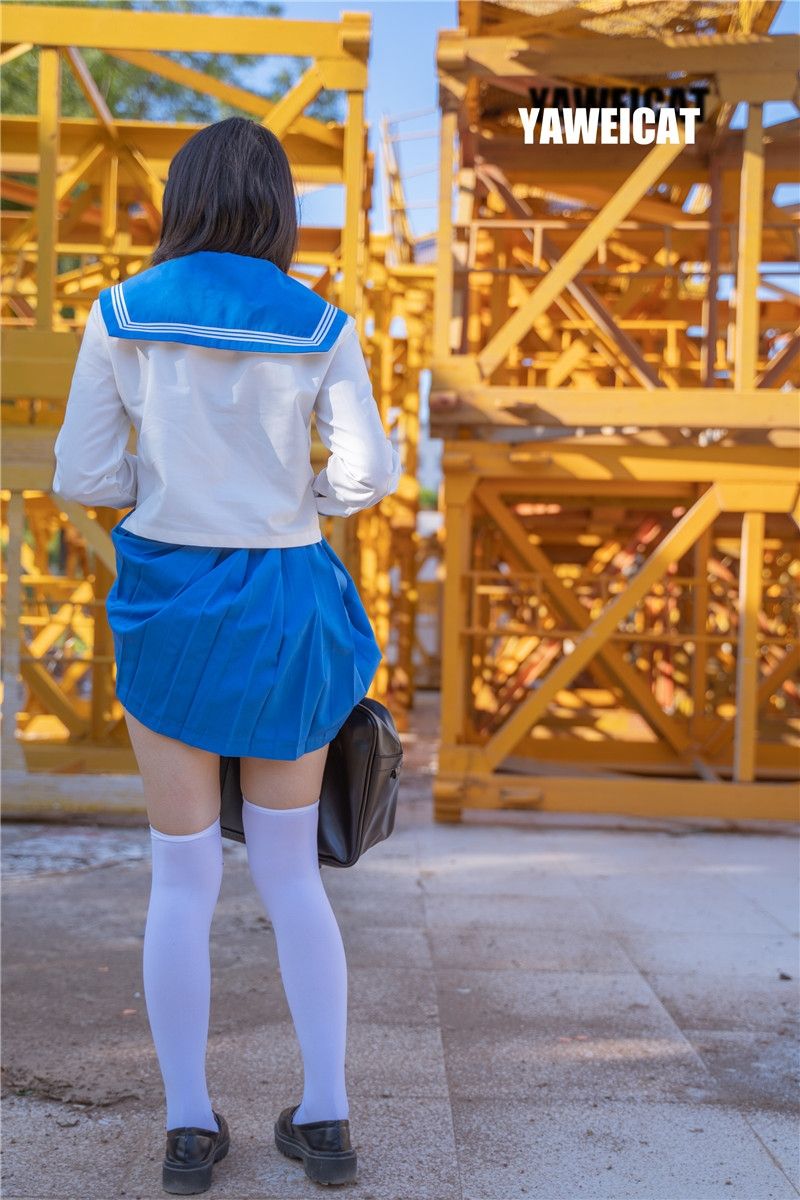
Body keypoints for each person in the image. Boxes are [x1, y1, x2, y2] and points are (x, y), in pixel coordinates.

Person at [51, 115, 401, 1195]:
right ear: (278, 206)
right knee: (292, 874)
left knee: (181, 877)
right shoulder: (320, 320)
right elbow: (367, 473)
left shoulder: (120, 313)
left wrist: (166, 494)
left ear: (182, 199)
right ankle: (327, 1119)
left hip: (171, 600)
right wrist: (296, 499)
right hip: (286, 601)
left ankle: (189, 1129)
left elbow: (83, 474)